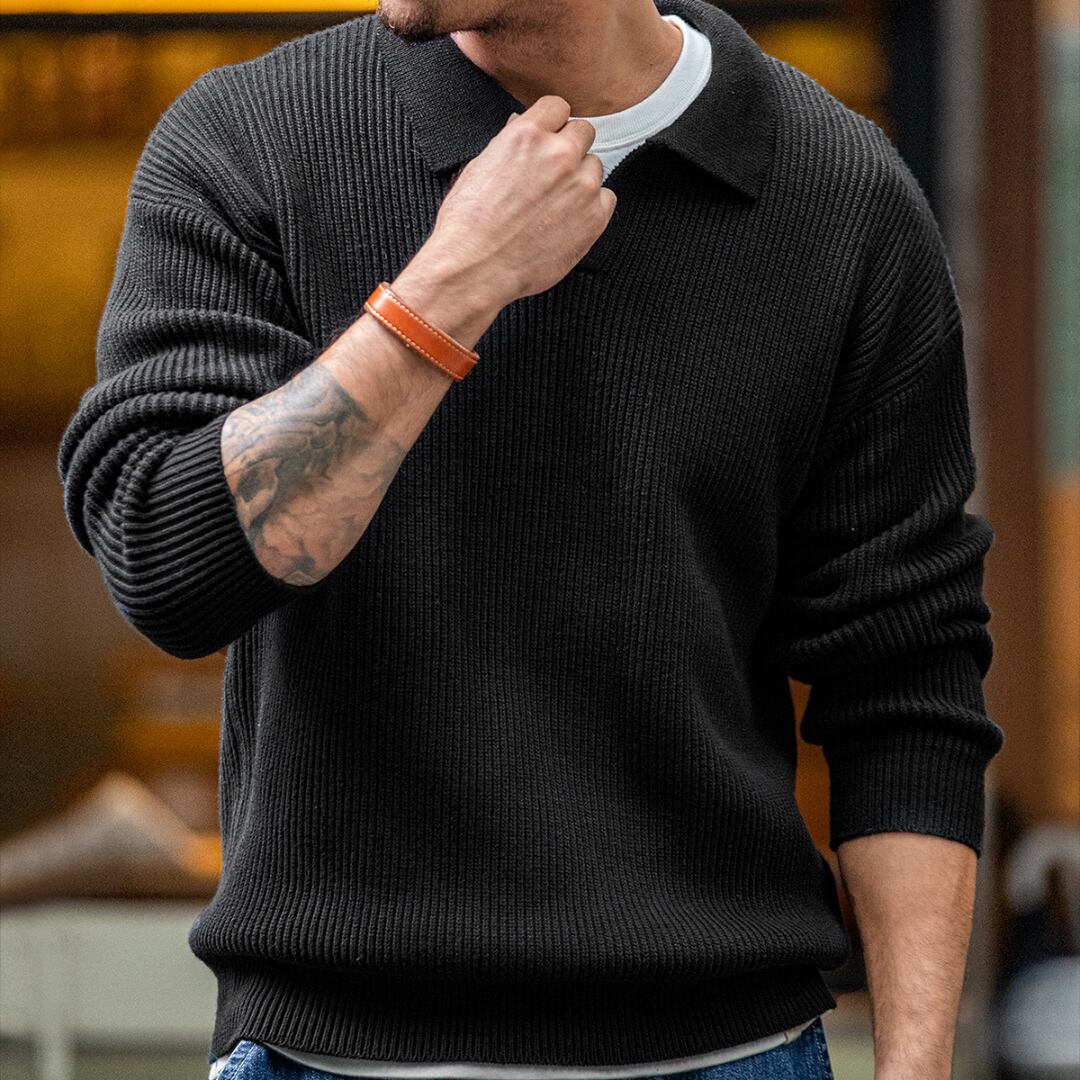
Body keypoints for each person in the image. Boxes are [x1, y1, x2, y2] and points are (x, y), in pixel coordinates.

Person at [56, 0, 1005, 1077]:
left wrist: (915, 1063)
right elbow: (167, 562)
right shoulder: (253, 139)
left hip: (726, 1047)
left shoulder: (840, 195)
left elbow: (904, 678)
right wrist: (449, 290)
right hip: (332, 1053)